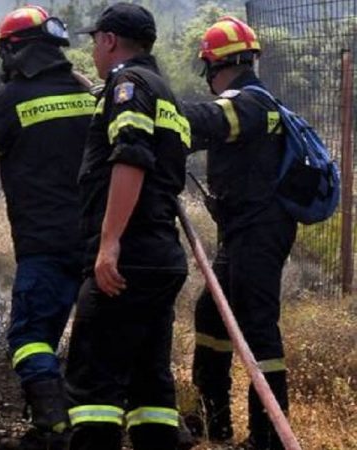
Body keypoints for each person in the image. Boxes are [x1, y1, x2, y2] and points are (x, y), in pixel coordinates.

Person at [0, 5, 94, 448]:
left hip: (44, 245)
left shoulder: (11, 102)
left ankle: (53, 429)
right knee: (100, 342)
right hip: (97, 242)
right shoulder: (91, 96)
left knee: (29, 336)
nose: (3, 62)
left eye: (6, 52)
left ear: (19, 51)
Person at [63, 3, 190, 449]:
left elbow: (131, 157)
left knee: (94, 388)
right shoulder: (163, 91)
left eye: (95, 40)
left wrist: (109, 242)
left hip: (128, 257)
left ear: (109, 40)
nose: (94, 49)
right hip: (161, 258)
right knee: (150, 387)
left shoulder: (128, 84)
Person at [181, 16, 296, 450]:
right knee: (211, 315)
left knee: (258, 328)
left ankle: (266, 438)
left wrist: (153, 108)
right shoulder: (248, 99)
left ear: (213, 65)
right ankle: (215, 424)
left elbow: (205, 123)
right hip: (241, 233)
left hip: (259, 232)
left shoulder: (251, 103)